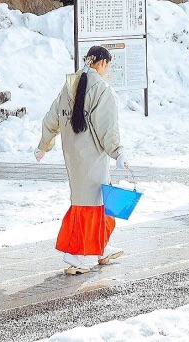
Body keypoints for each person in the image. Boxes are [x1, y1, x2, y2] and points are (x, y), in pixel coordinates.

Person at [35, 45, 129, 275]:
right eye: (109, 65)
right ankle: (75, 252)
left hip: (74, 156)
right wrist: (118, 152)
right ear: (103, 63)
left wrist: (43, 145)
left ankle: (100, 248)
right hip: (93, 157)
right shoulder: (102, 90)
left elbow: (51, 117)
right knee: (90, 206)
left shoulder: (69, 86)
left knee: (98, 203)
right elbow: (107, 126)